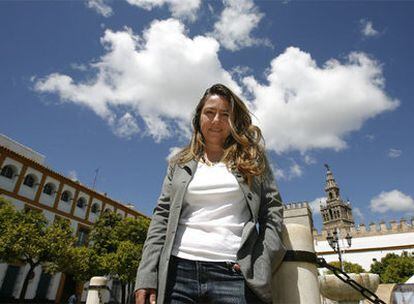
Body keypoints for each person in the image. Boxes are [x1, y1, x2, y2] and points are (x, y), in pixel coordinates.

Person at [135, 84, 286, 304]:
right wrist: (146, 275)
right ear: (198, 117)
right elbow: (161, 217)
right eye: (210, 112)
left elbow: (272, 213)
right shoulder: (178, 164)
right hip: (178, 272)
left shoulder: (253, 159)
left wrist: (261, 263)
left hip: (233, 273)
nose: (217, 120)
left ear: (234, 120)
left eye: (225, 114)